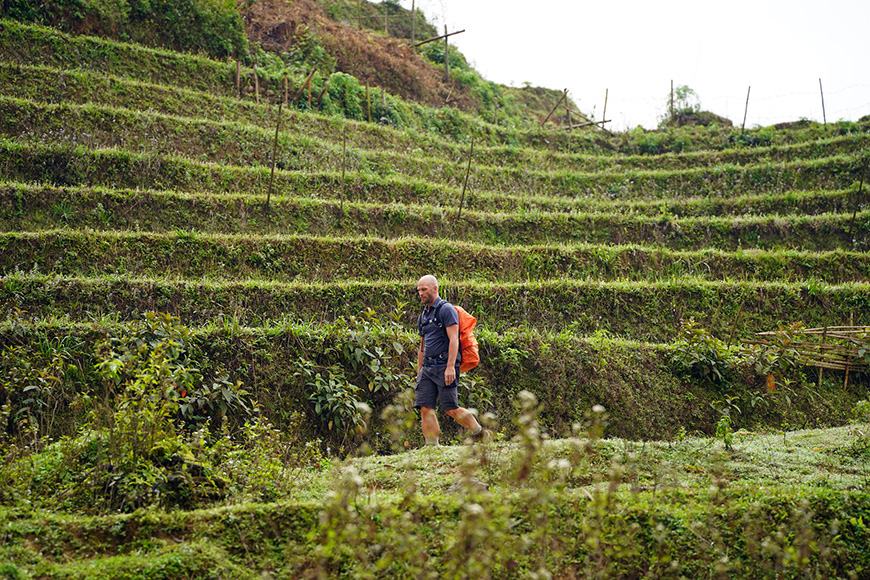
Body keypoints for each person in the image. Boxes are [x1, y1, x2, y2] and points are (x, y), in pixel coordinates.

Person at [415, 275, 490, 446]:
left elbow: (454, 339)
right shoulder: (423, 315)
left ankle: (479, 432)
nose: (421, 293)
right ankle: (431, 446)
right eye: (419, 290)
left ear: (435, 289)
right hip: (428, 367)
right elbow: (422, 345)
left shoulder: (446, 310)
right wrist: (420, 370)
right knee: (425, 407)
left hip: (444, 366)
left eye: (424, 289)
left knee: (451, 408)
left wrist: (450, 367)